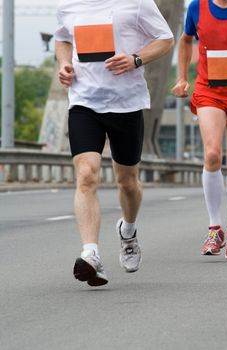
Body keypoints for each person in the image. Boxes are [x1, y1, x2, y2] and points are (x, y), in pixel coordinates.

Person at [55, 0, 174, 286]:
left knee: (127, 182)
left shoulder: (137, 3)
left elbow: (166, 39)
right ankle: (91, 254)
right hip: (84, 102)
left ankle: (128, 230)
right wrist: (65, 63)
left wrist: (136, 58)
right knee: (86, 175)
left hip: (126, 104)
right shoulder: (67, 4)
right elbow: (62, 38)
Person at [172, 0, 227, 259]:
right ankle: (214, 227)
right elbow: (186, 40)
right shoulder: (198, 7)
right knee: (212, 155)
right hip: (209, 90)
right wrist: (183, 77)